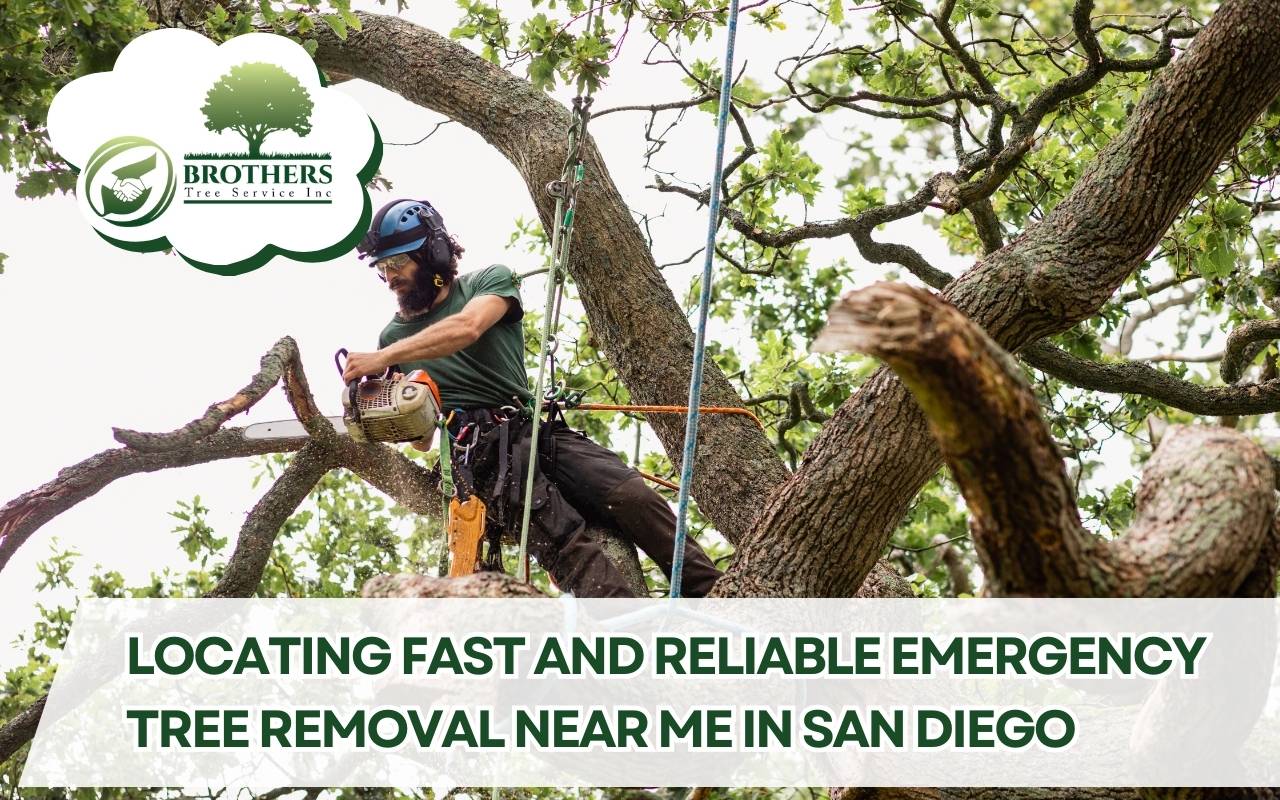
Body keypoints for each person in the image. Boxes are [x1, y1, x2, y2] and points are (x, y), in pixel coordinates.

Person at [341, 198, 723, 598]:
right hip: (478, 455)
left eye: (397, 263)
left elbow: (468, 328)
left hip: (531, 430)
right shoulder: (393, 337)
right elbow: (421, 442)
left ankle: (716, 593)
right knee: (564, 539)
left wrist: (384, 357)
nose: (390, 277)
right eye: (382, 268)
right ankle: (626, 623)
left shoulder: (487, 282)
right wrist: (389, 407)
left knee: (632, 495)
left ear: (432, 253)